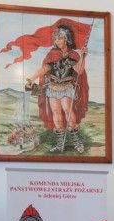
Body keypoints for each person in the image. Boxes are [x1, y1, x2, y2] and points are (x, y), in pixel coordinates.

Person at [26, 24, 89, 154]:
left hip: (66, 88)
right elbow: (44, 69)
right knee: (56, 113)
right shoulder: (52, 54)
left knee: (68, 111)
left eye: (60, 38)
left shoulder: (73, 55)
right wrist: (31, 79)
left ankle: (76, 141)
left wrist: (83, 56)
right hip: (53, 88)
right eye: (56, 39)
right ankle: (60, 144)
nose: (57, 41)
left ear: (66, 39)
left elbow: (79, 70)